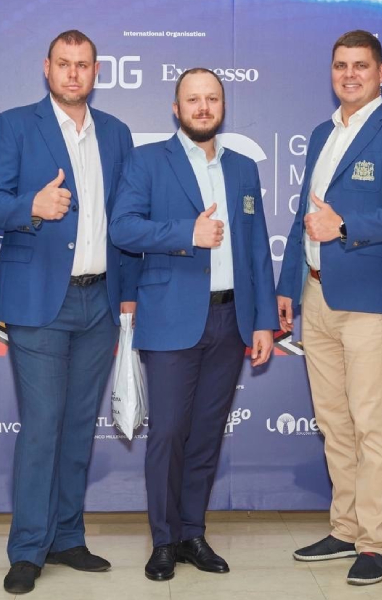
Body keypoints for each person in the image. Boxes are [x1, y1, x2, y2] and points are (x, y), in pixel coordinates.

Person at [0, 30, 138, 594]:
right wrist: (33, 206)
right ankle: (28, 548)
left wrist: (129, 291)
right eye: (64, 64)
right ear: (46, 68)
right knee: (43, 426)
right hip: (39, 299)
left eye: (83, 65)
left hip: (100, 299)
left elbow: (126, 218)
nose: (73, 73)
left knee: (76, 426)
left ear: (97, 72)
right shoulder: (14, 125)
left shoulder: (116, 133)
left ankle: (67, 537)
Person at [109, 68, 277, 582]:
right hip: (170, 317)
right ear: (176, 108)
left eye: (212, 99)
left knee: (206, 434)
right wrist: (189, 233)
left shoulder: (243, 168)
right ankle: (163, 541)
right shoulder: (146, 161)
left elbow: (256, 247)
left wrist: (264, 321)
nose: (203, 108)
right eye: (193, 100)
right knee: (168, 434)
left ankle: (191, 533)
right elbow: (123, 227)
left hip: (231, 319)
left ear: (222, 106)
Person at [275, 30, 382, 585]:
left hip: (368, 301)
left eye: (361, 65)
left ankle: (374, 541)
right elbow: (303, 217)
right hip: (316, 295)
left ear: (381, 71)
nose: (350, 74)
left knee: (370, 424)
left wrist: (345, 226)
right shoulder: (323, 133)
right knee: (333, 423)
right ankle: (344, 528)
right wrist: (288, 286)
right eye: (341, 65)